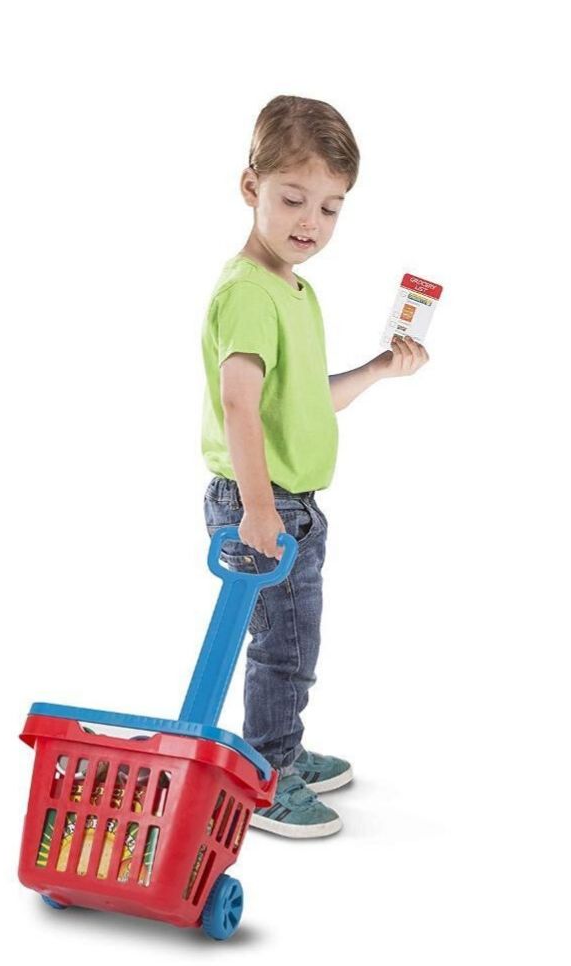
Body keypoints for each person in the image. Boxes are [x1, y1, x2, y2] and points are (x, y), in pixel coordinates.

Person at [200, 95, 429, 838]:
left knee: (294, 640)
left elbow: (303, 403)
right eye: (293, 199)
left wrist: (378, 370)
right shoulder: (247, 293)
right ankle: (267, 775)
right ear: (251, 188)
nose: (311, 222)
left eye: (331, 208)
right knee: (284, 643)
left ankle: (282, 747)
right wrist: (258, 509)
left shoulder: (296, 291)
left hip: (291, 501)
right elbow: (240, 407)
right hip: (263, 500)